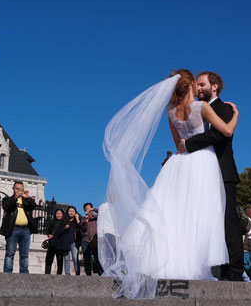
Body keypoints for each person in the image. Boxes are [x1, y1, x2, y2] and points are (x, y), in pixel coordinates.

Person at [99, 69, 238, 298]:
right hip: (202, 162)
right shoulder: (202, 108)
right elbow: (227, 131)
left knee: (174, 213)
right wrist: (235, 114)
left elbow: (179, 144)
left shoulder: (172, 113)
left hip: (179, 163)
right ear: (192, 85)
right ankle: (194, 265)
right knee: (198, 215)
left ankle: (167, 262)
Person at [177, 71, 244, 281]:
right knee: (207, 220)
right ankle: (216, 267)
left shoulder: (223, 108)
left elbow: (218, 135)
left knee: (228, 220)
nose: (198, 88)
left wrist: (188, 144)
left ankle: (234, 270)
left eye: (202, 84)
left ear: (215, 86)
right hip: (201, 172)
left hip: (222, 172)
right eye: (196, 85)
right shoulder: (195, 109)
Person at [0, 181, 37, 273]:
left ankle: (24, 272)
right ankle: (8, 273)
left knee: (24, 254)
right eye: (17, 189)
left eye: (21, 189)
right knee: (10, 253)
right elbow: (6, 206)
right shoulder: (7, 199)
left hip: (25, 229)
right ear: (13, 189)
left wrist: (28, 199)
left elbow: (33, 206)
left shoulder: (25, 200)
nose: (19, 191)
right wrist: (16, 197)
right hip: (13, 229)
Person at [45, 209, 74, 274]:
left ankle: (59, 275)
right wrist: (49, 235)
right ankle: (47, 273)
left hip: (60, 244)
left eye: (59, 213)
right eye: (57, 213)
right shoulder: (52, 222)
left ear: (62, 214)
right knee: (48, 260)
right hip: (52, 243)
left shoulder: (65, 223)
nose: (58, 215)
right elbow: (48, 231)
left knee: (59, 261)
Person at [78, 203, 101, 276]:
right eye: (86, 210)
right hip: (85, 240)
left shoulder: (97, 217)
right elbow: (81, 229)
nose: (88, 211)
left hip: (95, 240)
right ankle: (88, 275)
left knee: (97, 257)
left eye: (89, 209)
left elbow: (103, 212)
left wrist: (94, 209)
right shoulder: (83, 220)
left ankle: (101, 273)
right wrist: (85, 222)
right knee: (86, 258)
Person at [64, 206, 81, 275]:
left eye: (73, 211)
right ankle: (67, 273)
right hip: (66, 242)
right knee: (66, 258)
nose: (71, 212)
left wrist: (77, 218)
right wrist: (64, 227)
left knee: (75, 258)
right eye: (70, 211)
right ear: (67, 212)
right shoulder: (64, 220)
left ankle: (77, 273)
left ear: (75, 212)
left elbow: (80, 226)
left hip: (74, 241)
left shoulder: (77, 220)